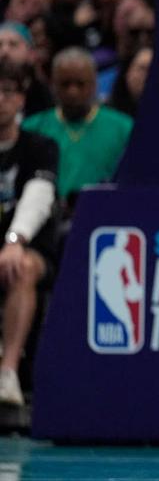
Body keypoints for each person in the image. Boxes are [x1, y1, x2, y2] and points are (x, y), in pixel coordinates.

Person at [0, 60, 57, 407]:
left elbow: (39, 195)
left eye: (8, 93)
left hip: (28, 249)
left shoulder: (40, 146)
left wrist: (14, 241)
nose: (0, 100)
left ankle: (7, 375)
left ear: (21, 99)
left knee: (20, 269)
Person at [22, 47, 131, 217]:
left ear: (94, 84)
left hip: (105, 216)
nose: (73, 92)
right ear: (52, 84)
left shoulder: (124, 127)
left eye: (80, 84)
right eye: (65, 84)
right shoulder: (32, 127)